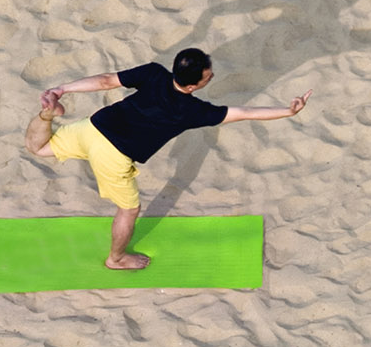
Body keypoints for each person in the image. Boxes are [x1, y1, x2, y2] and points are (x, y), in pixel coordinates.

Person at [29, 49, 307, 273]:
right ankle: (116, 259)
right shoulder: (192, 110)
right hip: (112, 154)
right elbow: (243, 112)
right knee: (128, 209)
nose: (210, 79)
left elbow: (105, 81)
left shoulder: (153, 73)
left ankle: (47, 115)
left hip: (93, 127)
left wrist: (62, 88)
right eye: (207, 77)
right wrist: (287, 111)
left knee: (40, 149)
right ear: (191, 85)